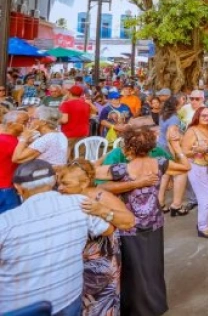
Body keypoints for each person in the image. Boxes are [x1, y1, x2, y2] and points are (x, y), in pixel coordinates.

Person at [94, 124, 191, 316]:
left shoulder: (121, 169)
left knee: (132, 267)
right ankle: (156, 306)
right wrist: (178, 148)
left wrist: (106, 158)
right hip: (155, 222)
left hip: (129, 226)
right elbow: (185, 167)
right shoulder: (160, 162)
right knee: (153, 264)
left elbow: (96, 178)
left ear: (128, 146)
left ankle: (135, 309)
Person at [0, 160, 116, 316]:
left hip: (20, 308)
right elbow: (108, 229)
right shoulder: (79, 203)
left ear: (18, 188)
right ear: (54, 180)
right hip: (69, 298)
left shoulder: (6, 223)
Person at [56, 159, 136, 316]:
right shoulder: (62, 198)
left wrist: (103, 211)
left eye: (65, 183)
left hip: (101, 263)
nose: (60, 188)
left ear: (85, 182)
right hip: (74, 262)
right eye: (59, 183)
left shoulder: (101, 197)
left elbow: (129, 221)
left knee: (102, 304)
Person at [181, 106, 208, 238]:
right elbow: (184, 151)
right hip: (196, 167)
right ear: (197, 117)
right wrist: (197, 150)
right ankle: (202, 228)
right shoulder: (192, 131)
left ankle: (204, 223)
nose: (206, 118)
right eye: (203, 116)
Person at [60, 85, 93, 154]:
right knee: (79, 157)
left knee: (65, 158)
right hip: (83, 133)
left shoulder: (66, 104)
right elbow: (90, 116)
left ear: (69, 93)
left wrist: (56, 120)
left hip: (69, 134)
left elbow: (64, 120)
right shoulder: (85, 104)